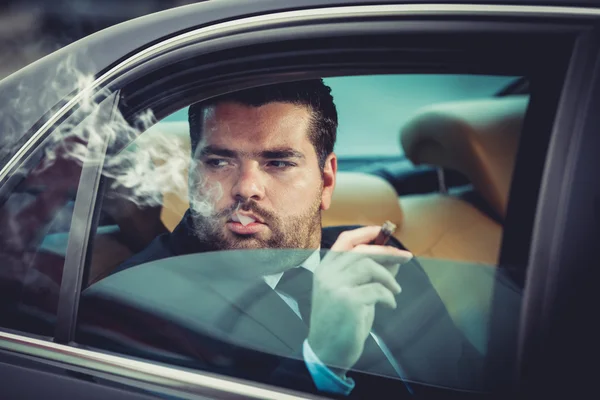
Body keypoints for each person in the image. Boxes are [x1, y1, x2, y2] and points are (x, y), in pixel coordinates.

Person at [102, 79, 483, 398]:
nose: (246, 188)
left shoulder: (379, 257)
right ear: (192, 175)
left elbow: (468, 379)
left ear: (327, 180)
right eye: (219, 161)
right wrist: (320, 362)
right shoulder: (133, 301)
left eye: (279, 162)